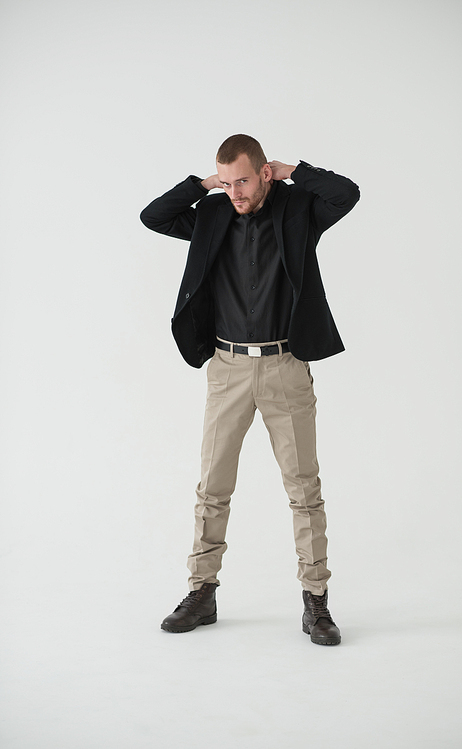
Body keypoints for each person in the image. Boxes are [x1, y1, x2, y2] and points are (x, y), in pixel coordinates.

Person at [140, 134, 360, 645]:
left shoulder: (300, 209)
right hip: (228, 367)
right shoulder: (213, 213)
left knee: (304, 490)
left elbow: (345, 193)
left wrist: (292, 170)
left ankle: (316, 604)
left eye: (243, 180)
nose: (235, 191)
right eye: (227, 181)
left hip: (285, 363)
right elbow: (155, 215)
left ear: (263, 173)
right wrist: (205, 184)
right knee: (212, 489)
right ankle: (201, 592)